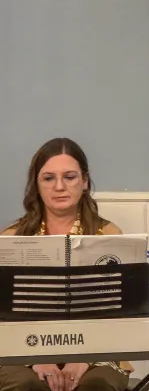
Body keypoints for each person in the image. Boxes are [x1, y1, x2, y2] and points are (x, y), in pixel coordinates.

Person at [0, 138, 130, 391]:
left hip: (98, 351)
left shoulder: (109, 235)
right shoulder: (10, 238)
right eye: (48, 178)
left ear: (84, 181)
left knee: (97, 385)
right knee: (24, 385)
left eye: (69, 177)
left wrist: (84, 358)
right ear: (36, 185)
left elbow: (121, 312)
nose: (59, 186)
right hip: (20, 351)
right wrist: (34, 359)